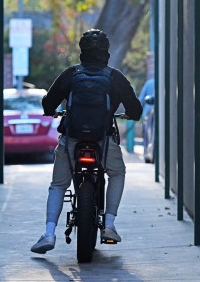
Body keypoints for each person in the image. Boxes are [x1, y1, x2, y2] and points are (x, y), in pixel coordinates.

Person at [31, 29, 143, 254]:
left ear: (82, 50)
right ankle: (109, 224)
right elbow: (136, 110)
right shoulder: (115, 77)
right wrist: (128, 114)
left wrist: (52, 110)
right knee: (117, 173)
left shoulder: (71, 74)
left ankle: (49, 233)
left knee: (58, 184)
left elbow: (48, 104)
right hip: (103, 138)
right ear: (106, 51)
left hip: (72, 137)